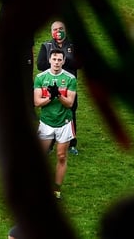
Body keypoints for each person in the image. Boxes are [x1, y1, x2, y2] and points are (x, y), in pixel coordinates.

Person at [34, 49, 78, 200]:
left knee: (61, 156)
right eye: (54, 59)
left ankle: (56, 189)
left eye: (60, 60)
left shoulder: (70, 79)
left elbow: (70, 104)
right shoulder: (40, 77)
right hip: (46, 122)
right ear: (49, 60)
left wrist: (58, 95)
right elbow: (37, 102)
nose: (57, 62)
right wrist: (50, 98)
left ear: (64, 61)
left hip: (64, 122)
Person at [36, 20, 80, 155]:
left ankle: (71, 144)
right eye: (55, 29)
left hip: (68, 85)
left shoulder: (73, 45)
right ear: (51, 32)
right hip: (49, 86)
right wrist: (56, 63)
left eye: (61, 28)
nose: (58, 31)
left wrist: (62, 60)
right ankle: (49, 145)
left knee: (70, 111)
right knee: (49, 111)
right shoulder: (46, 45)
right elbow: (40, 64)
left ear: (65, 30)